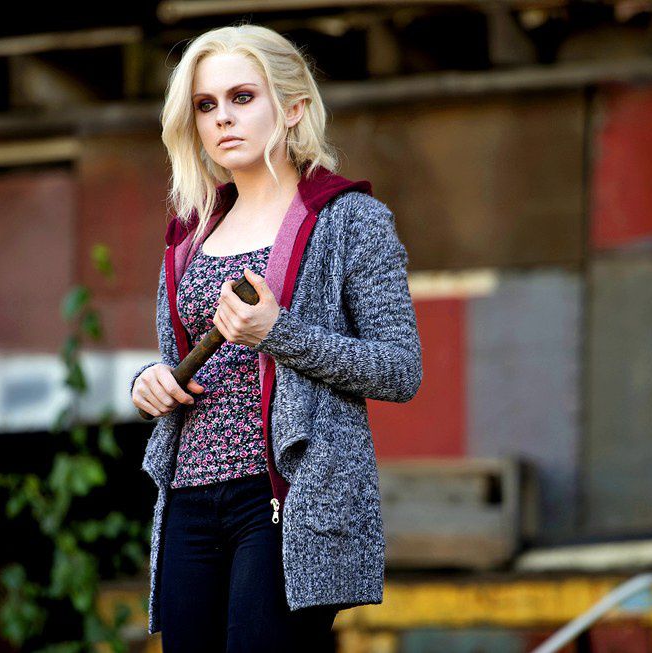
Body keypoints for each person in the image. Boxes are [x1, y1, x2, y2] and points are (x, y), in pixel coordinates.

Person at [129, 22, 422, 653]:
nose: (221, 118)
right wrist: (150, 381)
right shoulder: (192, 231)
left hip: (287, 496)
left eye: (242, 97)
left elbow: (400, 369)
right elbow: (178, 360)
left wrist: (278, 332)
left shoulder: (351, 219)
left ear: (292, 108)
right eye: (205, 105)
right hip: (188, 496)